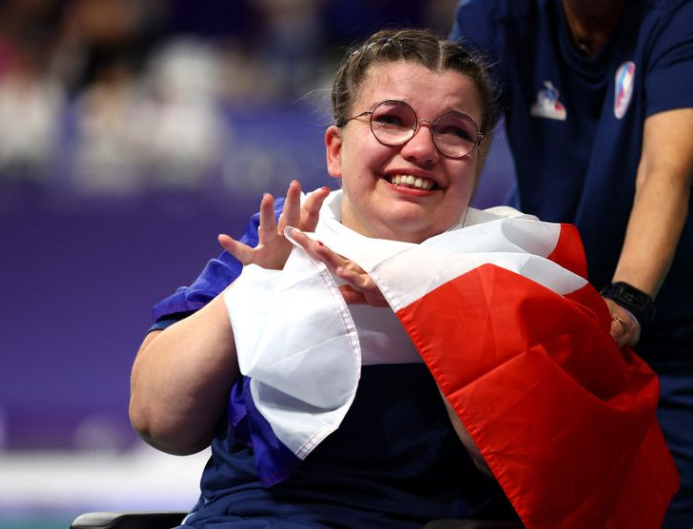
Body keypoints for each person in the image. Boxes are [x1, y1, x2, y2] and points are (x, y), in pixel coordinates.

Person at [129, 28, 676, 528]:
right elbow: (159, 420)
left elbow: (519, 468)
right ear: (337, 150)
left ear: (477, 159)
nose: (420, 148)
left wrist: (424, 301)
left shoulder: (523, 268)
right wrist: (262, 286)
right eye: (390, 120)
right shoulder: (271, 245)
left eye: (454, 131)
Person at [450, 1, 693, 526]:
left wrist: (627, 299)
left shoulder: (676, 16)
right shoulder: (495, 14)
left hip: (674, 333)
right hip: (549, 324)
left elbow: (667, 168)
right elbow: (455, 146)